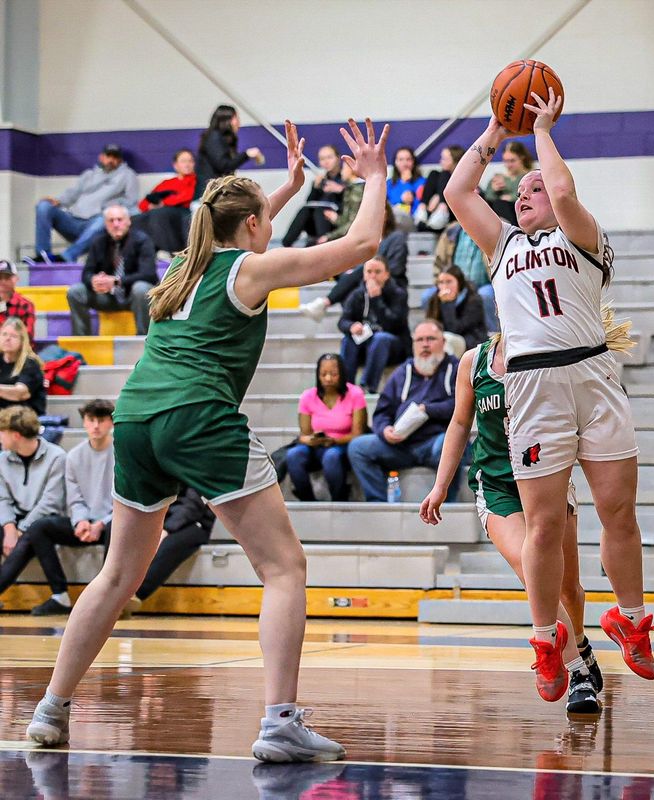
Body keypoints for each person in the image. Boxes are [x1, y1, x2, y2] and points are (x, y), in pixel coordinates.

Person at [26, 117, 390, 764]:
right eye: (263, 220)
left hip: (136, 418)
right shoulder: (248, 271)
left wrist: (285, 189)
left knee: (116, 577)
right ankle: (280, 722)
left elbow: (225, 229)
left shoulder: (177, 273)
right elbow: (362, 242)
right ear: (250, 228)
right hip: (197, 415)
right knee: (283, 568)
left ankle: (51, 710)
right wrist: (375, 176)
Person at [444, 88, 654, 698]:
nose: (525, 195)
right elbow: (459, 194)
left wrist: (539, 130)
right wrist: (492, 130)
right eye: (520, 192)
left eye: (531, 188)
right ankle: (545, 639)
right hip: (533, 385)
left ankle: (632, 620)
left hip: (592, 374)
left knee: (619, 512)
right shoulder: (503, 244)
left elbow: (562, 191)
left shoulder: (585, 238)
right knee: (544, 526)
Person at [420, 328, 629, 717]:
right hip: (497, 485)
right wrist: (440, 485)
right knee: (533, 572)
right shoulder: (474, 361)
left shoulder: (553, 353)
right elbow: (460, 424)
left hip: (548, 480)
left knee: (569, 590)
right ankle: (576, 672)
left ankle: (579, 642)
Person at [0, 399, 114, 616]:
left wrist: (100, 523)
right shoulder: (74, 456)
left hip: (109, 522)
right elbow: (75, 498)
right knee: (40, 527)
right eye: (91, 420)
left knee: (116, 526)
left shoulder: (60, 456)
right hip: (79, 522)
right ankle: (60, 596)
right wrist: (81, 520)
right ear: (84, 422)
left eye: (101, 420)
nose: (96, 426)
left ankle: (108, 599)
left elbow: (124, 500)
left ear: (111, 423)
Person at [348, 319, 467, 502]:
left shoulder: (457, 368)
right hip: (400, 445)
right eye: (419, 340)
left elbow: (463, 406)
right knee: (358, 447)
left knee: (450, 443)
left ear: (443, 342)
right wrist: (384, 430)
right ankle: (379, 504)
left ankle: (445, 504)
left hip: (435, 443)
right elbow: (382, 411)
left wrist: (428, 409)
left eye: (430, 339)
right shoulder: (403, 371)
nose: (425, 345)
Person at [26, 144, 139, 264]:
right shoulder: (89, 175)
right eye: (108, 156)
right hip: (74, 220)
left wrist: (111, 207)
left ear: (120, 160)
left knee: (103, 219)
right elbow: (73, 193)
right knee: (44, 207)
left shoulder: (128, 175)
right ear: (101, 157)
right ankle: (43, 256)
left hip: (98, 222)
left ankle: (66, 257)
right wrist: (58, 200)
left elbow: (131, 201)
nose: (111, 160)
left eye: (115, 157)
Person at [299, 202, 408, 322]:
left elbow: (396, 269)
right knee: (346, 272)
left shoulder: (396, 238)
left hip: (389, 283)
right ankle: (352, 324)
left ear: (386, 214)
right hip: (361, 280)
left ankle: (324, 303)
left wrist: (372, 271)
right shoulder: (364, 240)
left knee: (363, 269)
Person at [122, 486, 216, 617]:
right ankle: (117, 589)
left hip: (195, 521)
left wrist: (167, 529)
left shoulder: (193, 468)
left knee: (170, 544)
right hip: (159, 516)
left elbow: (192, 505)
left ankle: (133, 594)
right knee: (115, 528)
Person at [66, 205, 158, 336]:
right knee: (75, 291)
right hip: (107, 297)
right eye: (111, 220)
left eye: (119, 219)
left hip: (134, 298)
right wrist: (94, 280)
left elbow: (149, 274)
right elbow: (86, 273)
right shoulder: (98, 242)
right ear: (105, 224)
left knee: (141, 288)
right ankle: (81, 341)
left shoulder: (142, 240)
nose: (115, 224)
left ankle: (145, 338)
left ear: (128, 221)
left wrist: (116, 281)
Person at [286, 353, 367, 501]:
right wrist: (311, 440)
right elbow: (305, 433)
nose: (328, 378)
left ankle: (340, 499)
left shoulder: (355, 393)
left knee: (331, 456)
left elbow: (358, 434)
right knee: (293, 455)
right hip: (316, 446)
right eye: (323, 374)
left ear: (342, 374)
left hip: (343, 445)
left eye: (333, 374)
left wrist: (334, 441)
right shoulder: (307, 396)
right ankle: (307, 500)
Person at [0, 406, 66, 570]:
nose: (0, 438)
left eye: (2, 432)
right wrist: (10, 530)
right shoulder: (2, 459)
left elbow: (50, 502)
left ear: (16, 435)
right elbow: (2, 498)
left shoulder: (57, 457)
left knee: (33, 534)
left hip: (42, 520)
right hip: (14, 518)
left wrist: (20, 531)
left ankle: (60, 592)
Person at [338, 255, 410, 393]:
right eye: (369, 272)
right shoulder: (357, 295)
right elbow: (342, 321)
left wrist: (376, 299)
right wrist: (351, 326)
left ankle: (367, 386)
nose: (372, 276)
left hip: (393, 345)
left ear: (387, 274)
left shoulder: (398, 294)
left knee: (380, 338)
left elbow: (395, 325)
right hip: (366, 344)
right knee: (347, 339)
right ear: (364, 274)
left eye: (377, 272)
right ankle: (346, 387)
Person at [431, 220, 499, 333]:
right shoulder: (451, 231)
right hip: (454, 282)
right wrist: (441, 283)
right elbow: (438, 263)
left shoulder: (493, 226)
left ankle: (493, 336)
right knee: (428, 296)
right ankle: (436, 336)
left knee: (485, 295)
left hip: (486, 284)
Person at [132, 149, 197, 254]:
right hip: (160, 214)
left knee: (159, 214)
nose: (187, 164)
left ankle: (170, 252)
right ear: (175, 165)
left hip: (182, 214)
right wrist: (150, 206)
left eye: (190, 161)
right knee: (135, 220)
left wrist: (163, 203)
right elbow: (143, 204)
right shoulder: (167, 183)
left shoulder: (196, 180)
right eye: (184, 161)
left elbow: (187, 196)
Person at [194, 105, 264, 199]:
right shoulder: (214, 137)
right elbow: (223, 165)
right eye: (236, 118)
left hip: (214, 191)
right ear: (226, 120)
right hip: (209, 194)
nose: (239, 123)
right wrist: (246, 154)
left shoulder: (222, 139)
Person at [282, 145, 345, 247]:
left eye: (329, 157)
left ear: (338, 158)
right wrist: (315, 188)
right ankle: (286, 244)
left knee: (320, 210)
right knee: (306, 210)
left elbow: (352, 203)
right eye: (322, 159)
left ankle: (323, 245)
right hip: (317, 222)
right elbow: (309, 203)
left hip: (336, 218)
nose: (326, 161)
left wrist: (340, 190)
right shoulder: (320, 180)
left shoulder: (346, 177)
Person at [425, 264, 487, 356]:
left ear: (459, 282)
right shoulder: (435, 299)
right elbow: (431, 324)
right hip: (447, 338)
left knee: (447, 339)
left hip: (470, 343)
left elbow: (455, 329)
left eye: (449, 282)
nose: (445, 286)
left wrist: (448, 304)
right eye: (441, 282)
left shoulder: (473, 300)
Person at [0, 319, 45, 415]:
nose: (8, 338)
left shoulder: (30, 364)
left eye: (14, 336)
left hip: (24, 417)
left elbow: (20, 393)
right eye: (4, 334)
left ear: (22, 341)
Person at [414, 145, 464, 232]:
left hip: (450, 213)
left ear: (455, 161)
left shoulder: (463, 177)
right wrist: (437, 196)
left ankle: (442, 209)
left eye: (444, 159)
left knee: (445, 174)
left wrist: (439, 198)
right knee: (434, 173)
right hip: (432, 212)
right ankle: (422, 208)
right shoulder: (438, 176)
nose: (441, 161)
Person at [483, 141, 534, 225]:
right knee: (498, 204)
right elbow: (487, 199)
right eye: (506, 161)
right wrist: (494, 190)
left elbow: (533, 197)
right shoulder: (498, 177)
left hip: (520, 213)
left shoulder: (529, 177)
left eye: (512, 161)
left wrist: (511, 198)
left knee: (501, 204)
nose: (508, 165)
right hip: (499, 215)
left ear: (522, 158)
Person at [316, 160, 364, 243]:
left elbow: (354, 224)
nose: (341, 172)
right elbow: (347, 220)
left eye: (344, 168)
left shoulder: (357, 190)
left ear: (352, 168)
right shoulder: (350, 188)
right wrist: (336, 218)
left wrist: (329, 236)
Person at [386, 147, 426, 230]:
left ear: (413, 162)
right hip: (393, 220)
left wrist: (407, 183)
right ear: (395, 162)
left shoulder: (422, 182)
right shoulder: (389, 184)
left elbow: (411, 199)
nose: (405, 163)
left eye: (408, 159)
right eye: (401, 160)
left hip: (414, 219)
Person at [0, 260, 36, 345]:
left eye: (7, 277)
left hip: (18, 353)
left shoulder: (25, 305)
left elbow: (27, 336)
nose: (3, 281)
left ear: (16, 279)